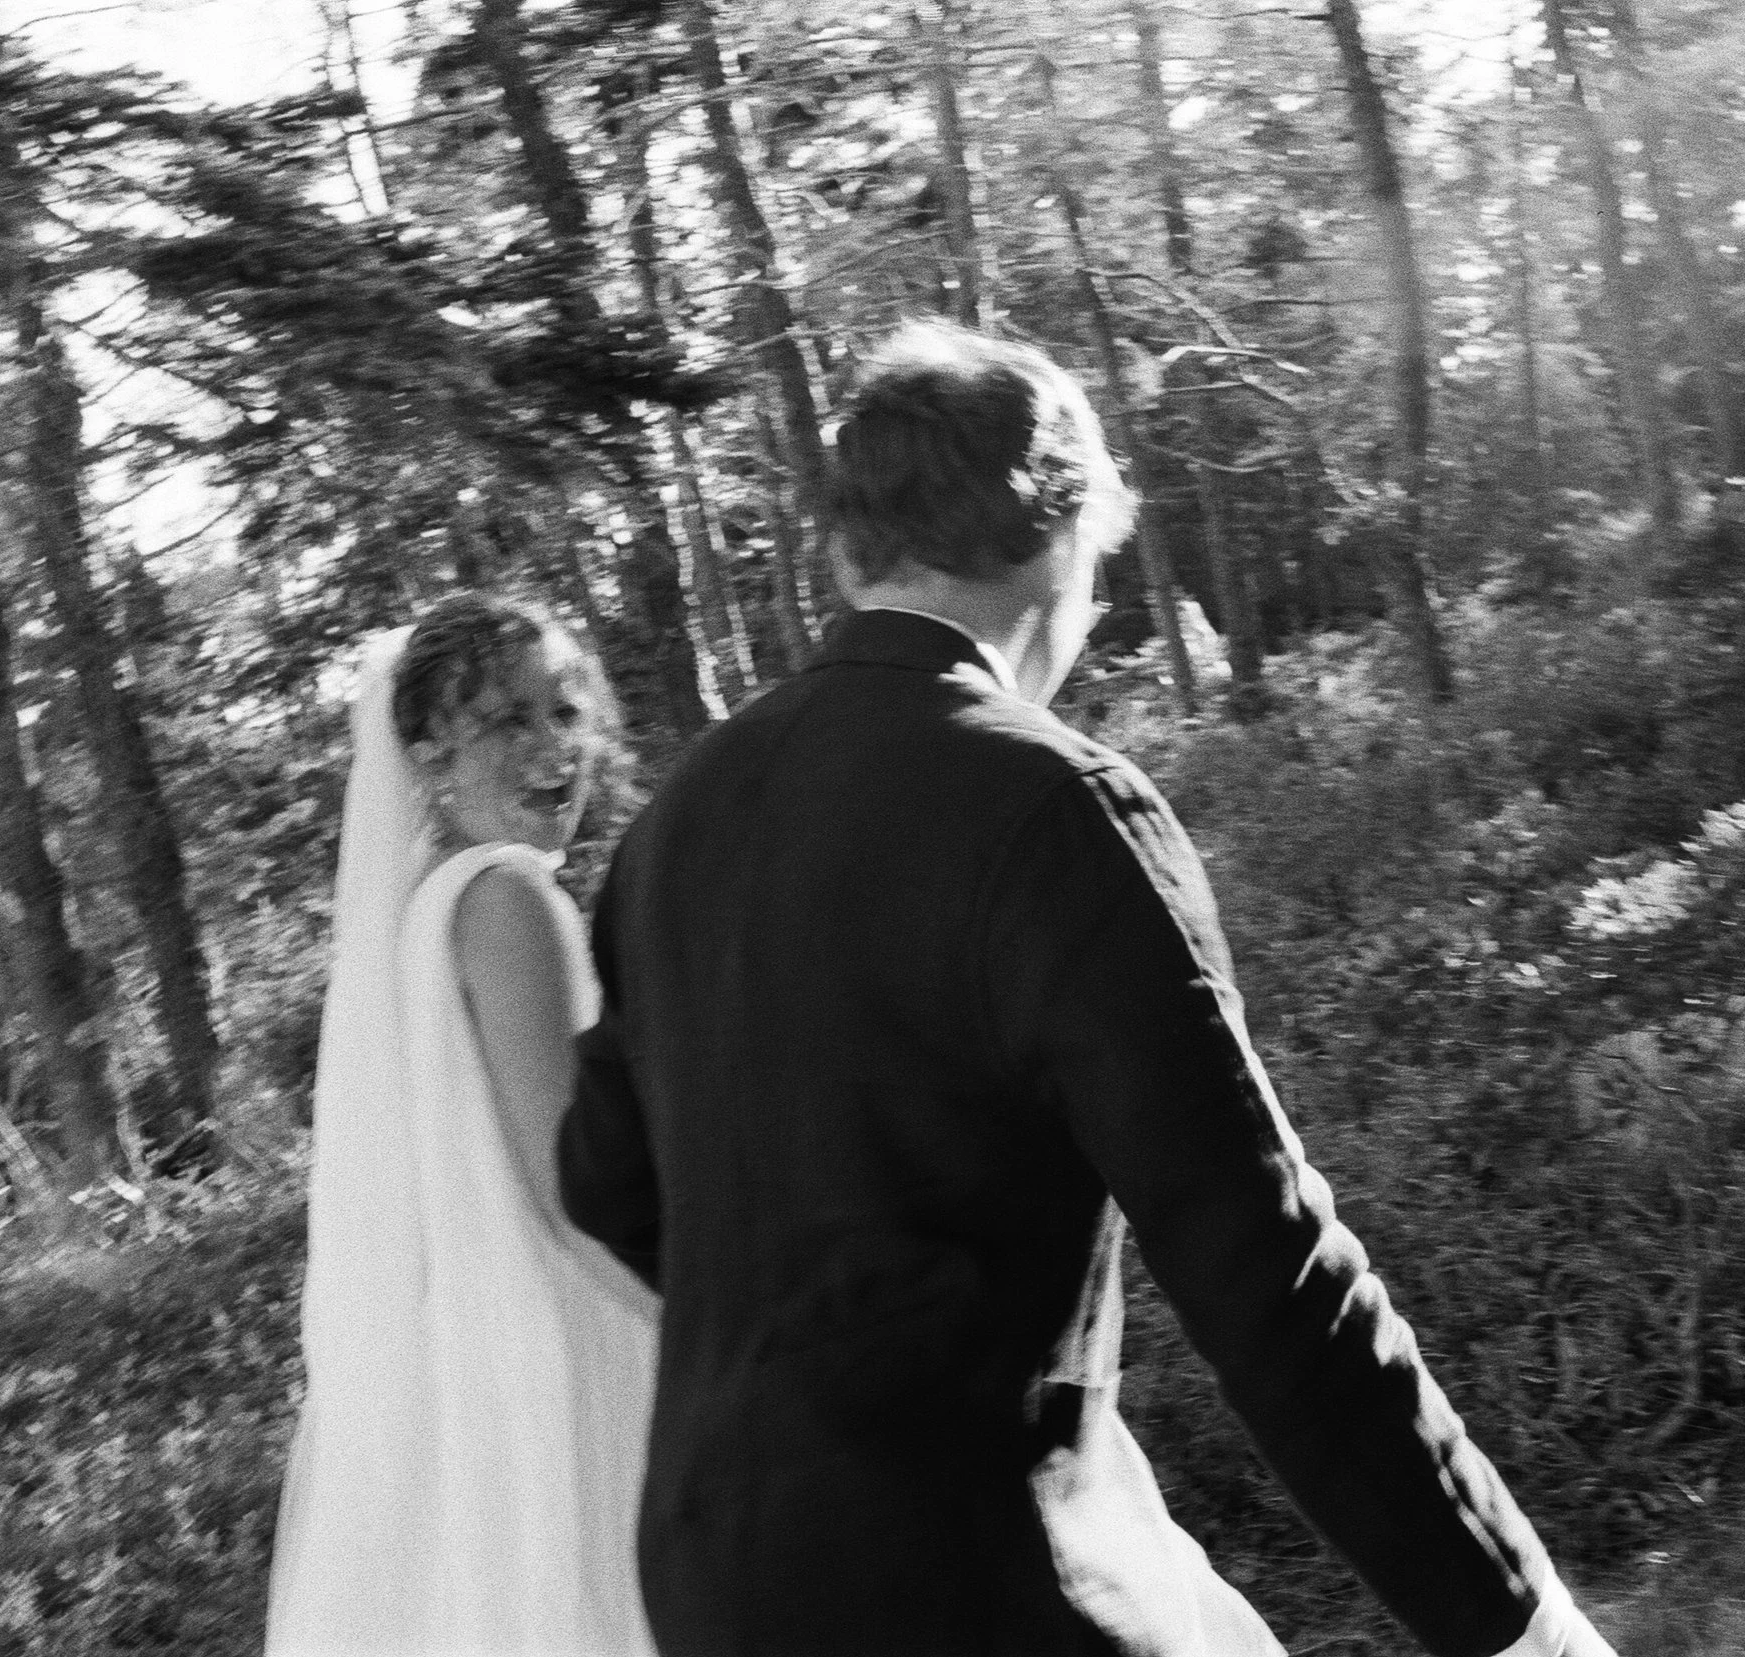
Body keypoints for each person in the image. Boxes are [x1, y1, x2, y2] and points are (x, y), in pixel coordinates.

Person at [559, 322, 1620, 1657]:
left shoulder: (679, 821)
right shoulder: (1050, 802)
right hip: (978, 1572)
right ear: (1061, 535)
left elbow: (604, 1180)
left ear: (846, 552)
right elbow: (1263, 1260)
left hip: (716, 1576)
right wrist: (1516, 1624)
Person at [265, 593, 659, 1657]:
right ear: (430, 753)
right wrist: (725, 1331)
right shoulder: (507, 899)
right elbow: (578, 1191)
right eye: (505, 721)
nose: (552, 750)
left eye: (565, 712)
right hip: (562, 1351)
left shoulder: (417, 913)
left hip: (472, 1366)